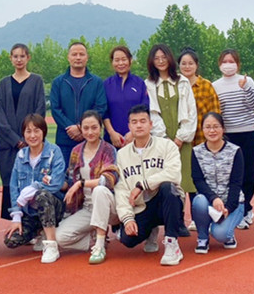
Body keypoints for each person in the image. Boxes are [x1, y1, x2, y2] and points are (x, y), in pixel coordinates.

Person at [115, 104, 185, 266]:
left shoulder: (167, 146)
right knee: (127, 240)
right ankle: (151, 230)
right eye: (134, 122)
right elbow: (121, 189)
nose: (139, 125)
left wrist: (142, 185)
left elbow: (173, 174)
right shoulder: (122, 154)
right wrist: (127, 218)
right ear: (129, 126)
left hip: (165, 202)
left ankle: (172, 243)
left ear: (151, 124)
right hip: (141, 207)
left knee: (168, 187)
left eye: (143, 121)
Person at [146, 44, 197, 239]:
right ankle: (172, 220)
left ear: (169, 58)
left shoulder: (182, 82)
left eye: (163, 57)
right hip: (161, 140)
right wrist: (165, 139)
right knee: (166, 180)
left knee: (184, 179)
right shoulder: (149, 84)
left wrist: (180, 137)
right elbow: (152, 113)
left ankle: (184, 219)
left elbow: (191, 111)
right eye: (156, 58)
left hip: (182, 139)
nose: (160, 61)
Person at [56, 111, 120, 264]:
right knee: (61, 237)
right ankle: (93, 239)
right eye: (86, 128)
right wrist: (52, 182)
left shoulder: (109, 150)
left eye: (94, 127)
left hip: (109, 207)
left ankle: (99, 246)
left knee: (99, 190)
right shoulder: (76, 151)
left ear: (100, 128)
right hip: (87, 209)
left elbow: (109, 180)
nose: (90, 132)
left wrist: (81, 183)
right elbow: (69, 181)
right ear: (80, 128)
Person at [4, 114, 66, 263]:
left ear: (43, 132)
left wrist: (34, 188)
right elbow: (14, 186)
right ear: (23, 134)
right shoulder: (20, 156)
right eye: (28, 131)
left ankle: (51, 245)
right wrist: (16, 217)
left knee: (41, 195)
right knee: (11, 241)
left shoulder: (54, 152)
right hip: (30, 213)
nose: (32, 135)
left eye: (36, 130)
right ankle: (39, 232)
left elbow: (57, 182)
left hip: (53, 207)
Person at [0, 43, 46, 220]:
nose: (19, 59)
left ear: (28, 58)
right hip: (7, 144)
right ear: (10, 58)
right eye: (15, 56)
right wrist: (15, 140)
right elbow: (0, 114)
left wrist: (28, 137)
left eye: (22, 56)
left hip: (30, 141)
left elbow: (40, 109)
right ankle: (14, 222)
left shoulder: (36, 81)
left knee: (30, 180)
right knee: (10, 180)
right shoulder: (3, 83)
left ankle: (30, 222)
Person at [212, 49, 254, 230]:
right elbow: (218, 111)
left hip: (249, 132)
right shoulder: (216, 85)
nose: (228, 64)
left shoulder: (247, 81)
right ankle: (234, 209)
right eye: (224, 61)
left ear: (238, 64)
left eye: (231, 61)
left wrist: (245, 88)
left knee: (248, 173)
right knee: (232, 175)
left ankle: (246, 210)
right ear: (219, 64)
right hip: (229, 135)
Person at [178, 47, 221, 231]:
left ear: (196, 65)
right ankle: (179, 219)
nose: (187, 66)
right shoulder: (176, 85)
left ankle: (200, 217)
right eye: (183, 63)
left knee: (201, 180)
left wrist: (213, 137)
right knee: (182, 180)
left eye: (190, 63)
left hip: (202, 140)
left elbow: (215, 112)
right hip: (182, 142)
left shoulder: (206, 86)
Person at [191, 112, 244, 254]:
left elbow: (236, 183)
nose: (212, 131)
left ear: (223, 129)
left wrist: (229, 208)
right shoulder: (196, 151)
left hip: (232, 202)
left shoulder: (235, 151)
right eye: (207, 127)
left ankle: (227, 232)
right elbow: (198, 180)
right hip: (208, 201)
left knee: (221, 234)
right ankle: (203, 237)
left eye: (216, 126)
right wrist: (213, 198)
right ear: (202, 130)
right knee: (199, 200)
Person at [50, 41, 107, 167]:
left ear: (87, 57)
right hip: (65, 140)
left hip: (91, 140)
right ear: (68, 57)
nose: (78, 57)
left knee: (92, 175)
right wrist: (70, 127)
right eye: (74, 54)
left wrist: (81, 127)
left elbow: (101, 107)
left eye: (81, 54)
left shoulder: (96, 82)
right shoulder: (58, 82)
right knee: (65, 176)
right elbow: (55, 109)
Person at [103, 46, 149, 148]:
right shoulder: (106, 84)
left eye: (124, 59)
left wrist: (133, 133)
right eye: (117, 60)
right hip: (112, 140)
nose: (120, 63)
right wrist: (112, 133)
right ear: (112, 62)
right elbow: (104, 112)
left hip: (137, 138)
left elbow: (145, 108)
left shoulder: (139, 83)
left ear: (130, 60)